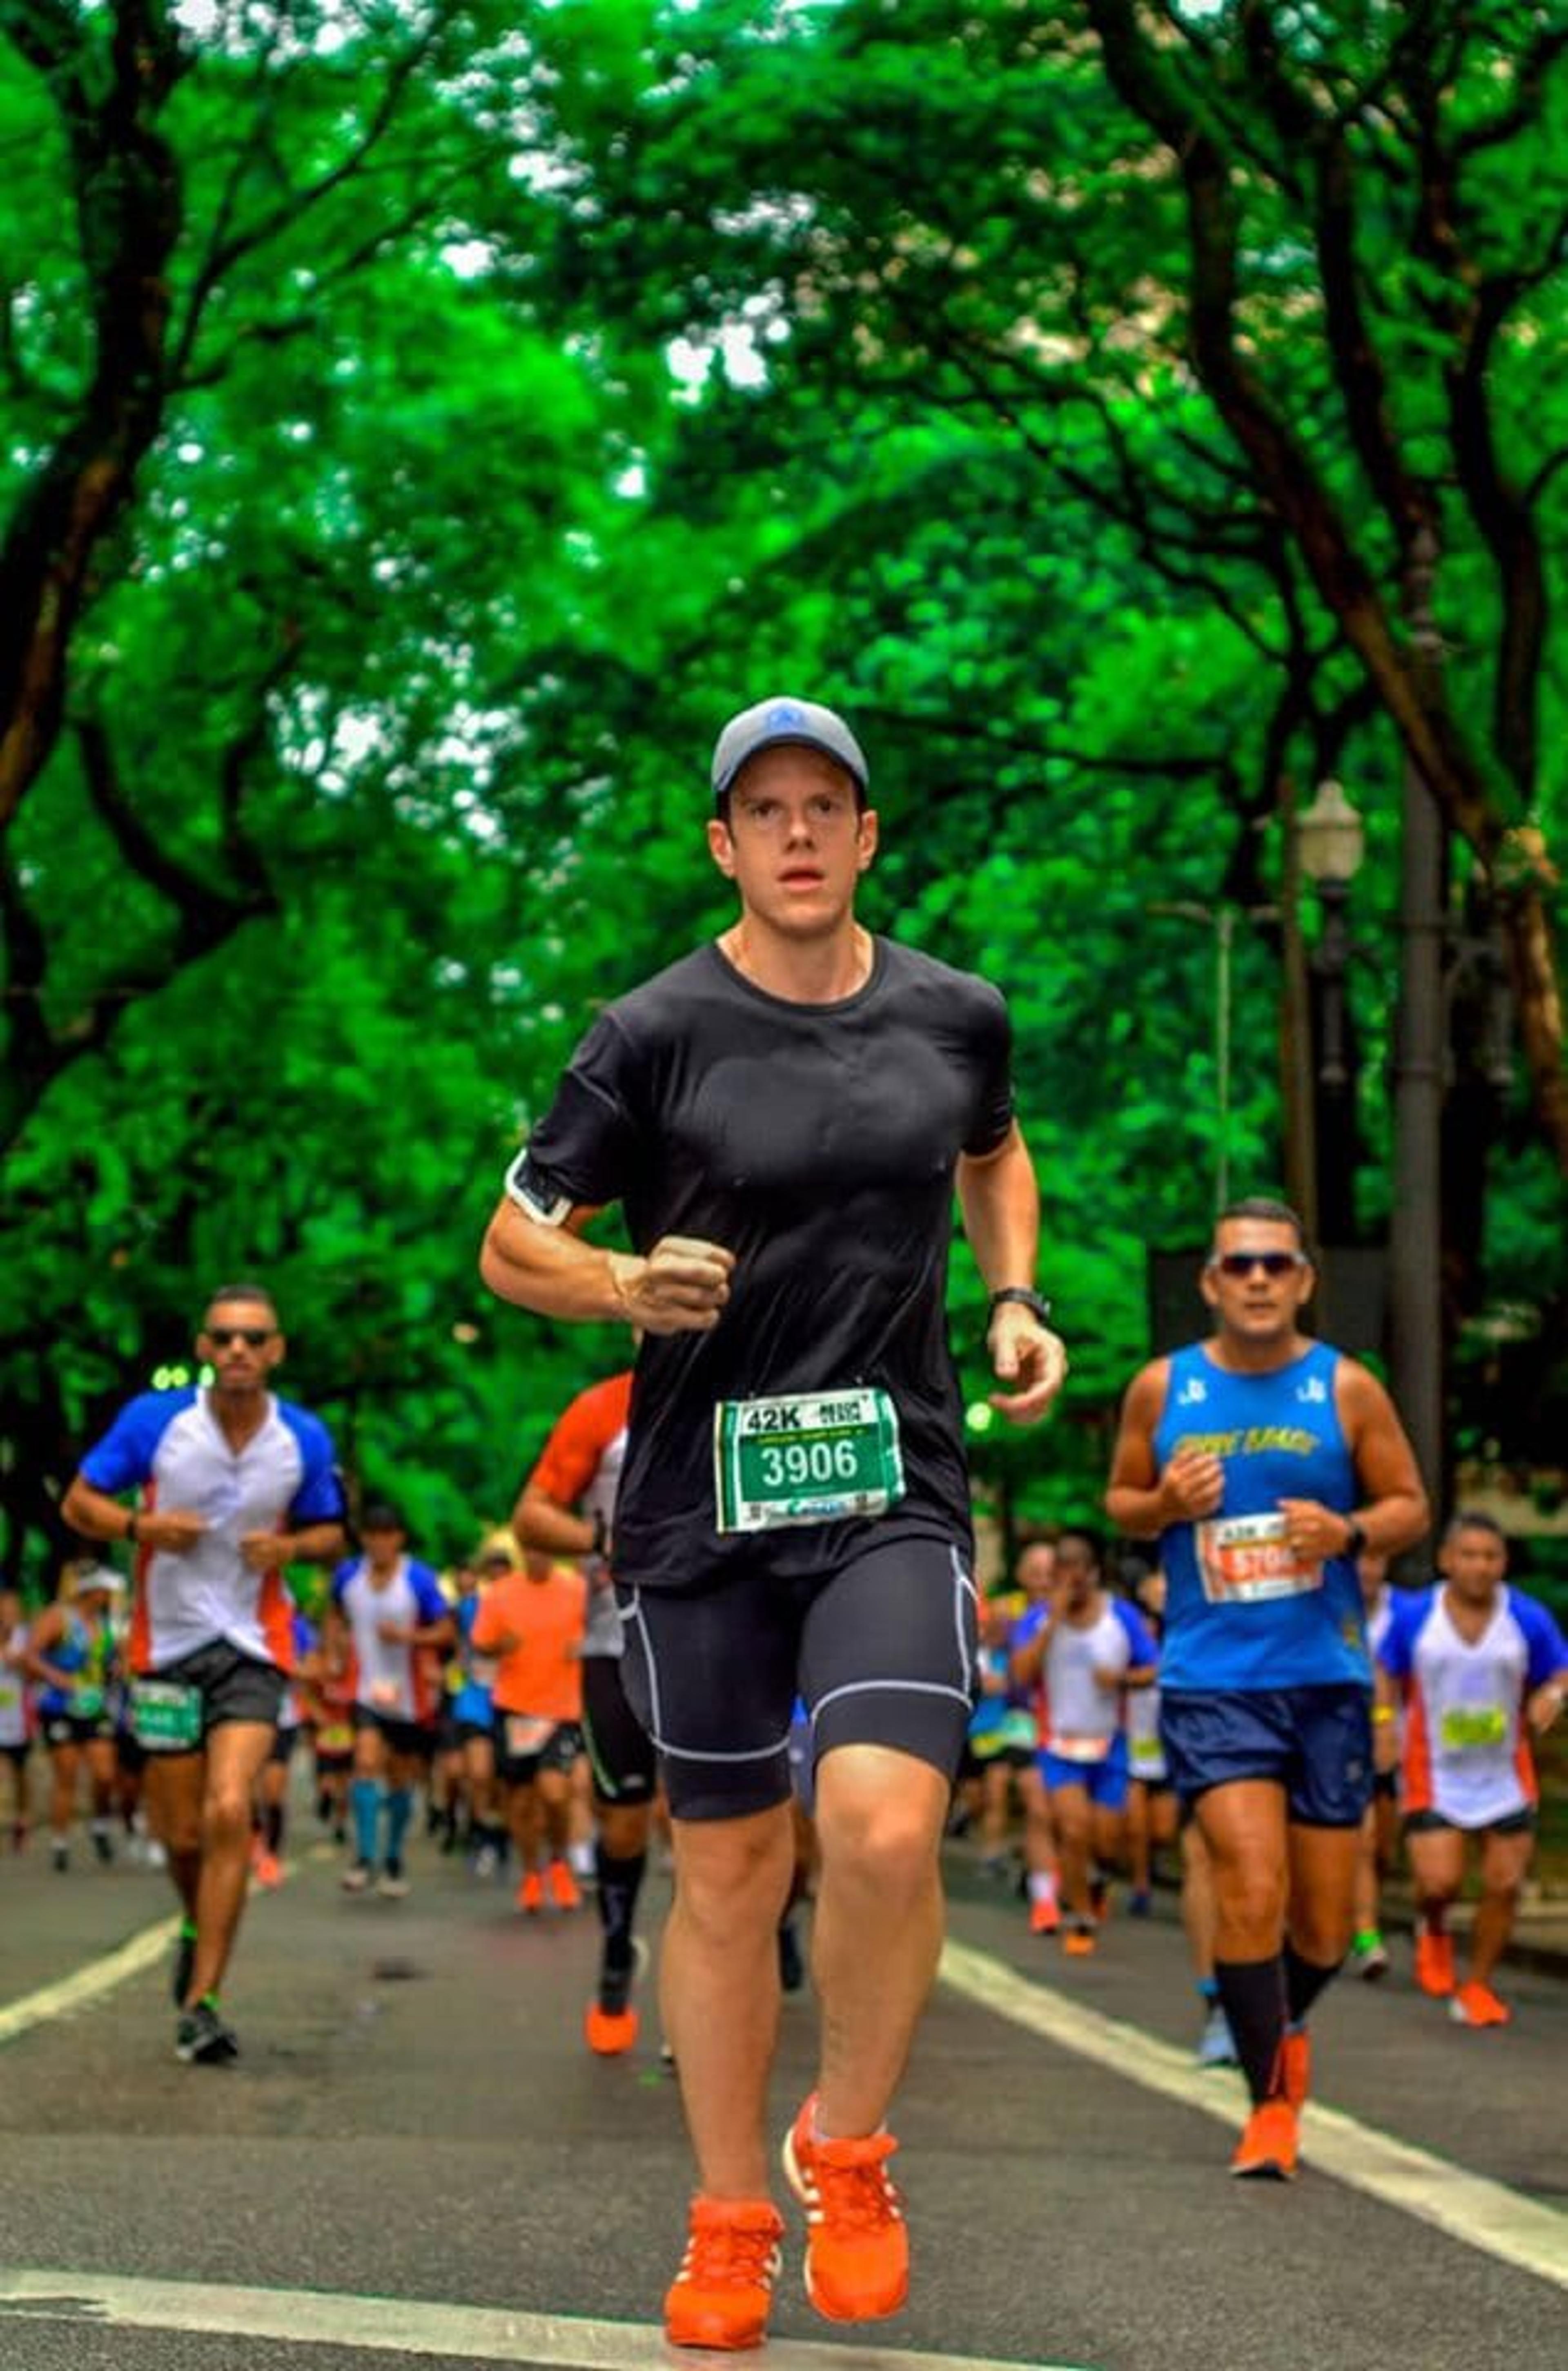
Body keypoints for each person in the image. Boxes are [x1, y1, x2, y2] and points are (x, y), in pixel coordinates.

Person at [478, 694, 1066, 2348]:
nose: (801, 832)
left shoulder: (957, 1014)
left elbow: (998, 1154)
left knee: (881, 1823)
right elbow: (508, 1245)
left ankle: (851, 2142)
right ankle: (731, 2207)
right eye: (769, 810)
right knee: (731, 1866)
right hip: (698, 1504)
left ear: (870, 835)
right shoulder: (648, 1032)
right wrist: (617, 1281)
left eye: (830, 805)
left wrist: (1017, 1296)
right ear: (724, 844)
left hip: (890, 1480)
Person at [1105, 1198, 1428, 2180]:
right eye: (1237, 1265)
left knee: (1323, 1924)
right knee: (1248, 1884)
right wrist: (1162, 1504)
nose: (1255, 1279)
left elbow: (1409, 1503)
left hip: (1323, 1677)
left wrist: (1350, 1534)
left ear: (1301, 1280)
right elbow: (1117, 1501)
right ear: (1209, 1283)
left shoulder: (1347, 1390)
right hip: (1211, 1679)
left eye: (1273, 1265)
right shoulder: (1165, 1388)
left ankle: (1277, 2027)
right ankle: (1268, 2104)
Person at [60, 1283, 345, 2063]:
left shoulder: (303, 1439)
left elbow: (331, 1534)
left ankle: (204, 2000)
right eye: (224, 1338)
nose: (239, 1351)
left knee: (229, 1809)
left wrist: (290, 1550)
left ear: (277, 1350)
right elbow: (78, 1503)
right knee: (181, 1833)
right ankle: (197, 1920)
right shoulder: (157, 1425)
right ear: (203, 1349)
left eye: (255, 1338)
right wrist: (138, 1525)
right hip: (165, 1649)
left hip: (255, 1647)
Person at [512, 1366, 658, 2048]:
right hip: (618, 1642)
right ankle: (616, 1952)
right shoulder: (603, 1407)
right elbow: (532, 1515)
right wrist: (604, 1542)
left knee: (716, 1832)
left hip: (730, 1641)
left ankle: (714, 2003)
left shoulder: (761, 1379)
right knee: (625, 1826)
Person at [1376, 1511, 1568, 2027]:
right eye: (1469, 1555)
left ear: (1504, 1563)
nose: (1480, 1567)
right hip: (1432, 1770)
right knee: (1440, 1882)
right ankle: (1432, 1924)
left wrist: (1552, 1696)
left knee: (1506, 1884)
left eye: (1491, 1557)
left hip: (1505, 1772)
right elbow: (1384, 1673)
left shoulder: (1526, 1618)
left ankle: (1478, 1985)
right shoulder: (1418, 1616)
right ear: (1446, 1560)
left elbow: (1559, 1669)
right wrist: (1383, 1724)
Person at [1010, 1525, 1157, 1954]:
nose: (1071, 1581)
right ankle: (1080, 1917)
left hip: (1109, 1744)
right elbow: (1021, 1673)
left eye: (1079, 1571)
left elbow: (1154, 1668)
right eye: (1063, 1571)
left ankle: (1096, 1879)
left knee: (1107, 1842)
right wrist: (1053, 1619)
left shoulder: (1121, 1616)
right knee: (1073, 1831)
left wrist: (1123, 1679)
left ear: (1094, 1573)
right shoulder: (1038, 1620)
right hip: (1058, 1745)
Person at [333, 1503, 454, 1898]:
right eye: (372, 1535)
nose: (379, 1543)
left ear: (398, 1539)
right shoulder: (349, 1575)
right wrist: (332, 1651)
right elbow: (335, 1615)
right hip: (366, 1689)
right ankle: (366, 1856)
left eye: (387, 1536)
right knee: (366, 1762)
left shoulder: (418, 1578)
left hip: (409, 1696)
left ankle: (393, 1856)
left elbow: (447, 1630)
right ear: (364, 1539)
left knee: (401, 1777)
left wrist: (409, 1639)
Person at [471, 1545, 588, 1913]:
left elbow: (602, 1631)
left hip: (562, 1710)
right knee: (521, 1804)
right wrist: (497, 1647)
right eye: (532, 1549)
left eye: (545, 1548)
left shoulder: (577, 1589)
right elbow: (480, 1644)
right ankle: (531, 1873)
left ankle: (559, 1860)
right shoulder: (502, 1593)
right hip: (516, 1710)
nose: (540, 1556)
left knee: (555, 1792)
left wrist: (583, 1647)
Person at [24, 1561, 122, 1871]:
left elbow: (113, 1658)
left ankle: (100, 1824)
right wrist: (56, 1676)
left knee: (105, 1773)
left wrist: (117, 1667)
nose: (109, 1596)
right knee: (66, 1773)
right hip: (60, 1706)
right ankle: (61, 1842)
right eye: (105, 1591)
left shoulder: (107, 1622)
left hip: (95, 1704)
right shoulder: (59, 1617)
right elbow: (30, 1654)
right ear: (91, 1591)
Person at [1005, 1539, 1064, 1934]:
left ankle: (1066, 1876)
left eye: (1051, 1572)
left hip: (1076, 1730)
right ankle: (1045, 1899)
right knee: (1039, 1809)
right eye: (1036, 1572)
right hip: (1024, 1722)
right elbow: (1020, 1672)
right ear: (1022, 1577)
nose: (1044, 1580)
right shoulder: (1019, 1618)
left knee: (1070, 1819)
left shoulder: (1096, 1612)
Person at [1349, 1550, 1397, 1978]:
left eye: (1376, 1561)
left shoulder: (1406, 1613)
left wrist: (1386, 1724)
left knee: (1383, 1849)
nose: (1369, 1568)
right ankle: (1367, 1937)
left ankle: (1363, 1914)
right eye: (1362, 1560)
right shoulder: (1328, 1607)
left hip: (1401, 1750)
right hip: (1344, 1745)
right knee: (1362, 1843)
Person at [0, 1588, 34, 1850]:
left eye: (13, 1608)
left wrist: (22, 1662)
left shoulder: (27, 1637)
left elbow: (36, 1672)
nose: (9, 1613)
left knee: (21, 1773)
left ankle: (22, 1819)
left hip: (20, 1717)